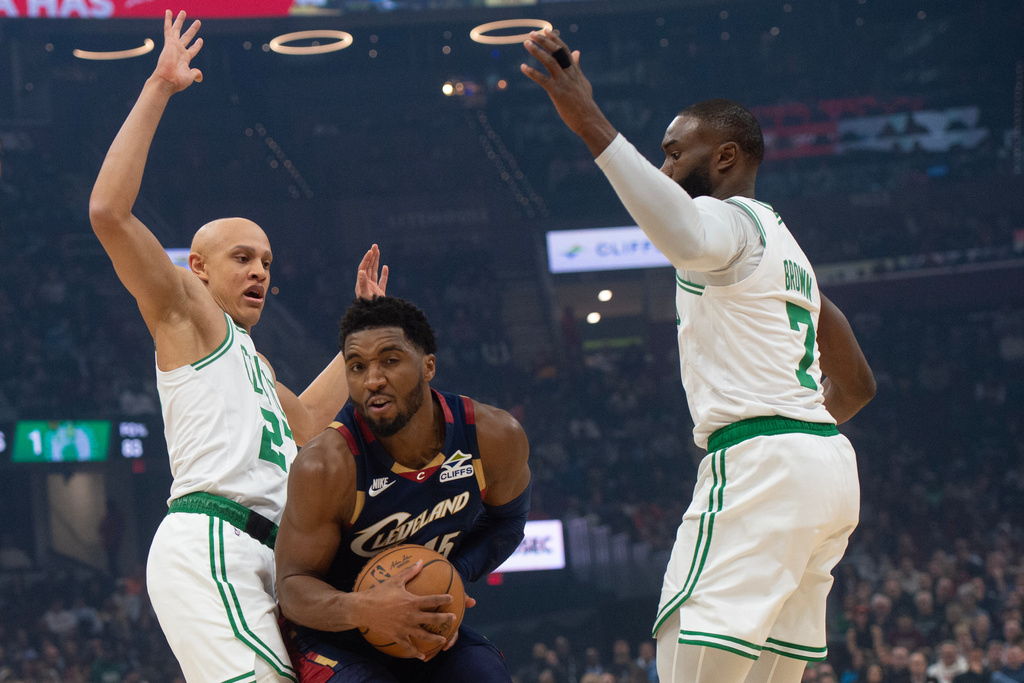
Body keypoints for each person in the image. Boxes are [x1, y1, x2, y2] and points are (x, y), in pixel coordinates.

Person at [522, 28, 876, 683]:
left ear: (725, 158)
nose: (662, 168)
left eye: (673, 152)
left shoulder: (731, 225)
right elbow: (856, 385)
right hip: (825, 465)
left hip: (763, 460)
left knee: (688, 664)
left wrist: (589, 122)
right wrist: (800, 433)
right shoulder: (787, 247)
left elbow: (682, 231)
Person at [88, 11, 387, 683]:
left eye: (268, 262)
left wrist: (360, 331)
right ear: (197, 267)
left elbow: (309, 423)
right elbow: (108, 211)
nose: (260, 271)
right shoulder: (188, 316)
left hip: (269, 558)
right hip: (213, 539)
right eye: (242, 257)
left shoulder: (250, 358)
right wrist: (159, 88)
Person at [275, 295, 531, 682]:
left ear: (428, 365)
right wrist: (364, 608)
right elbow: (292, 587)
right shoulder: (326, 464)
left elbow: (508, 521)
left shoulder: (493, 436)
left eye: (390, 361)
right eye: (357, 367)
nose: (372, 380)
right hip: (333, 633)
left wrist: (453, 573)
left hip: (421, 623)